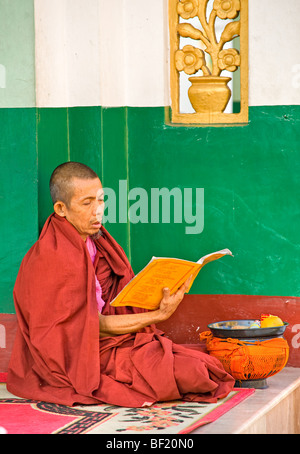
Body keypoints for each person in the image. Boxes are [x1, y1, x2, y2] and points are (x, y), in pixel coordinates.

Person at [7, 162, 235, 407]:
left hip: (115, 342)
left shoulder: (97, 242)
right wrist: (158, 315)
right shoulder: (53, 258)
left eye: (101, 200)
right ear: (61, 209)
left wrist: (173, 285)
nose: (97, 212)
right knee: (197, 373)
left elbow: (120, 301)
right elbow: (92, 328)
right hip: (80, 358)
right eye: (87, 203)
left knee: (210, 363)